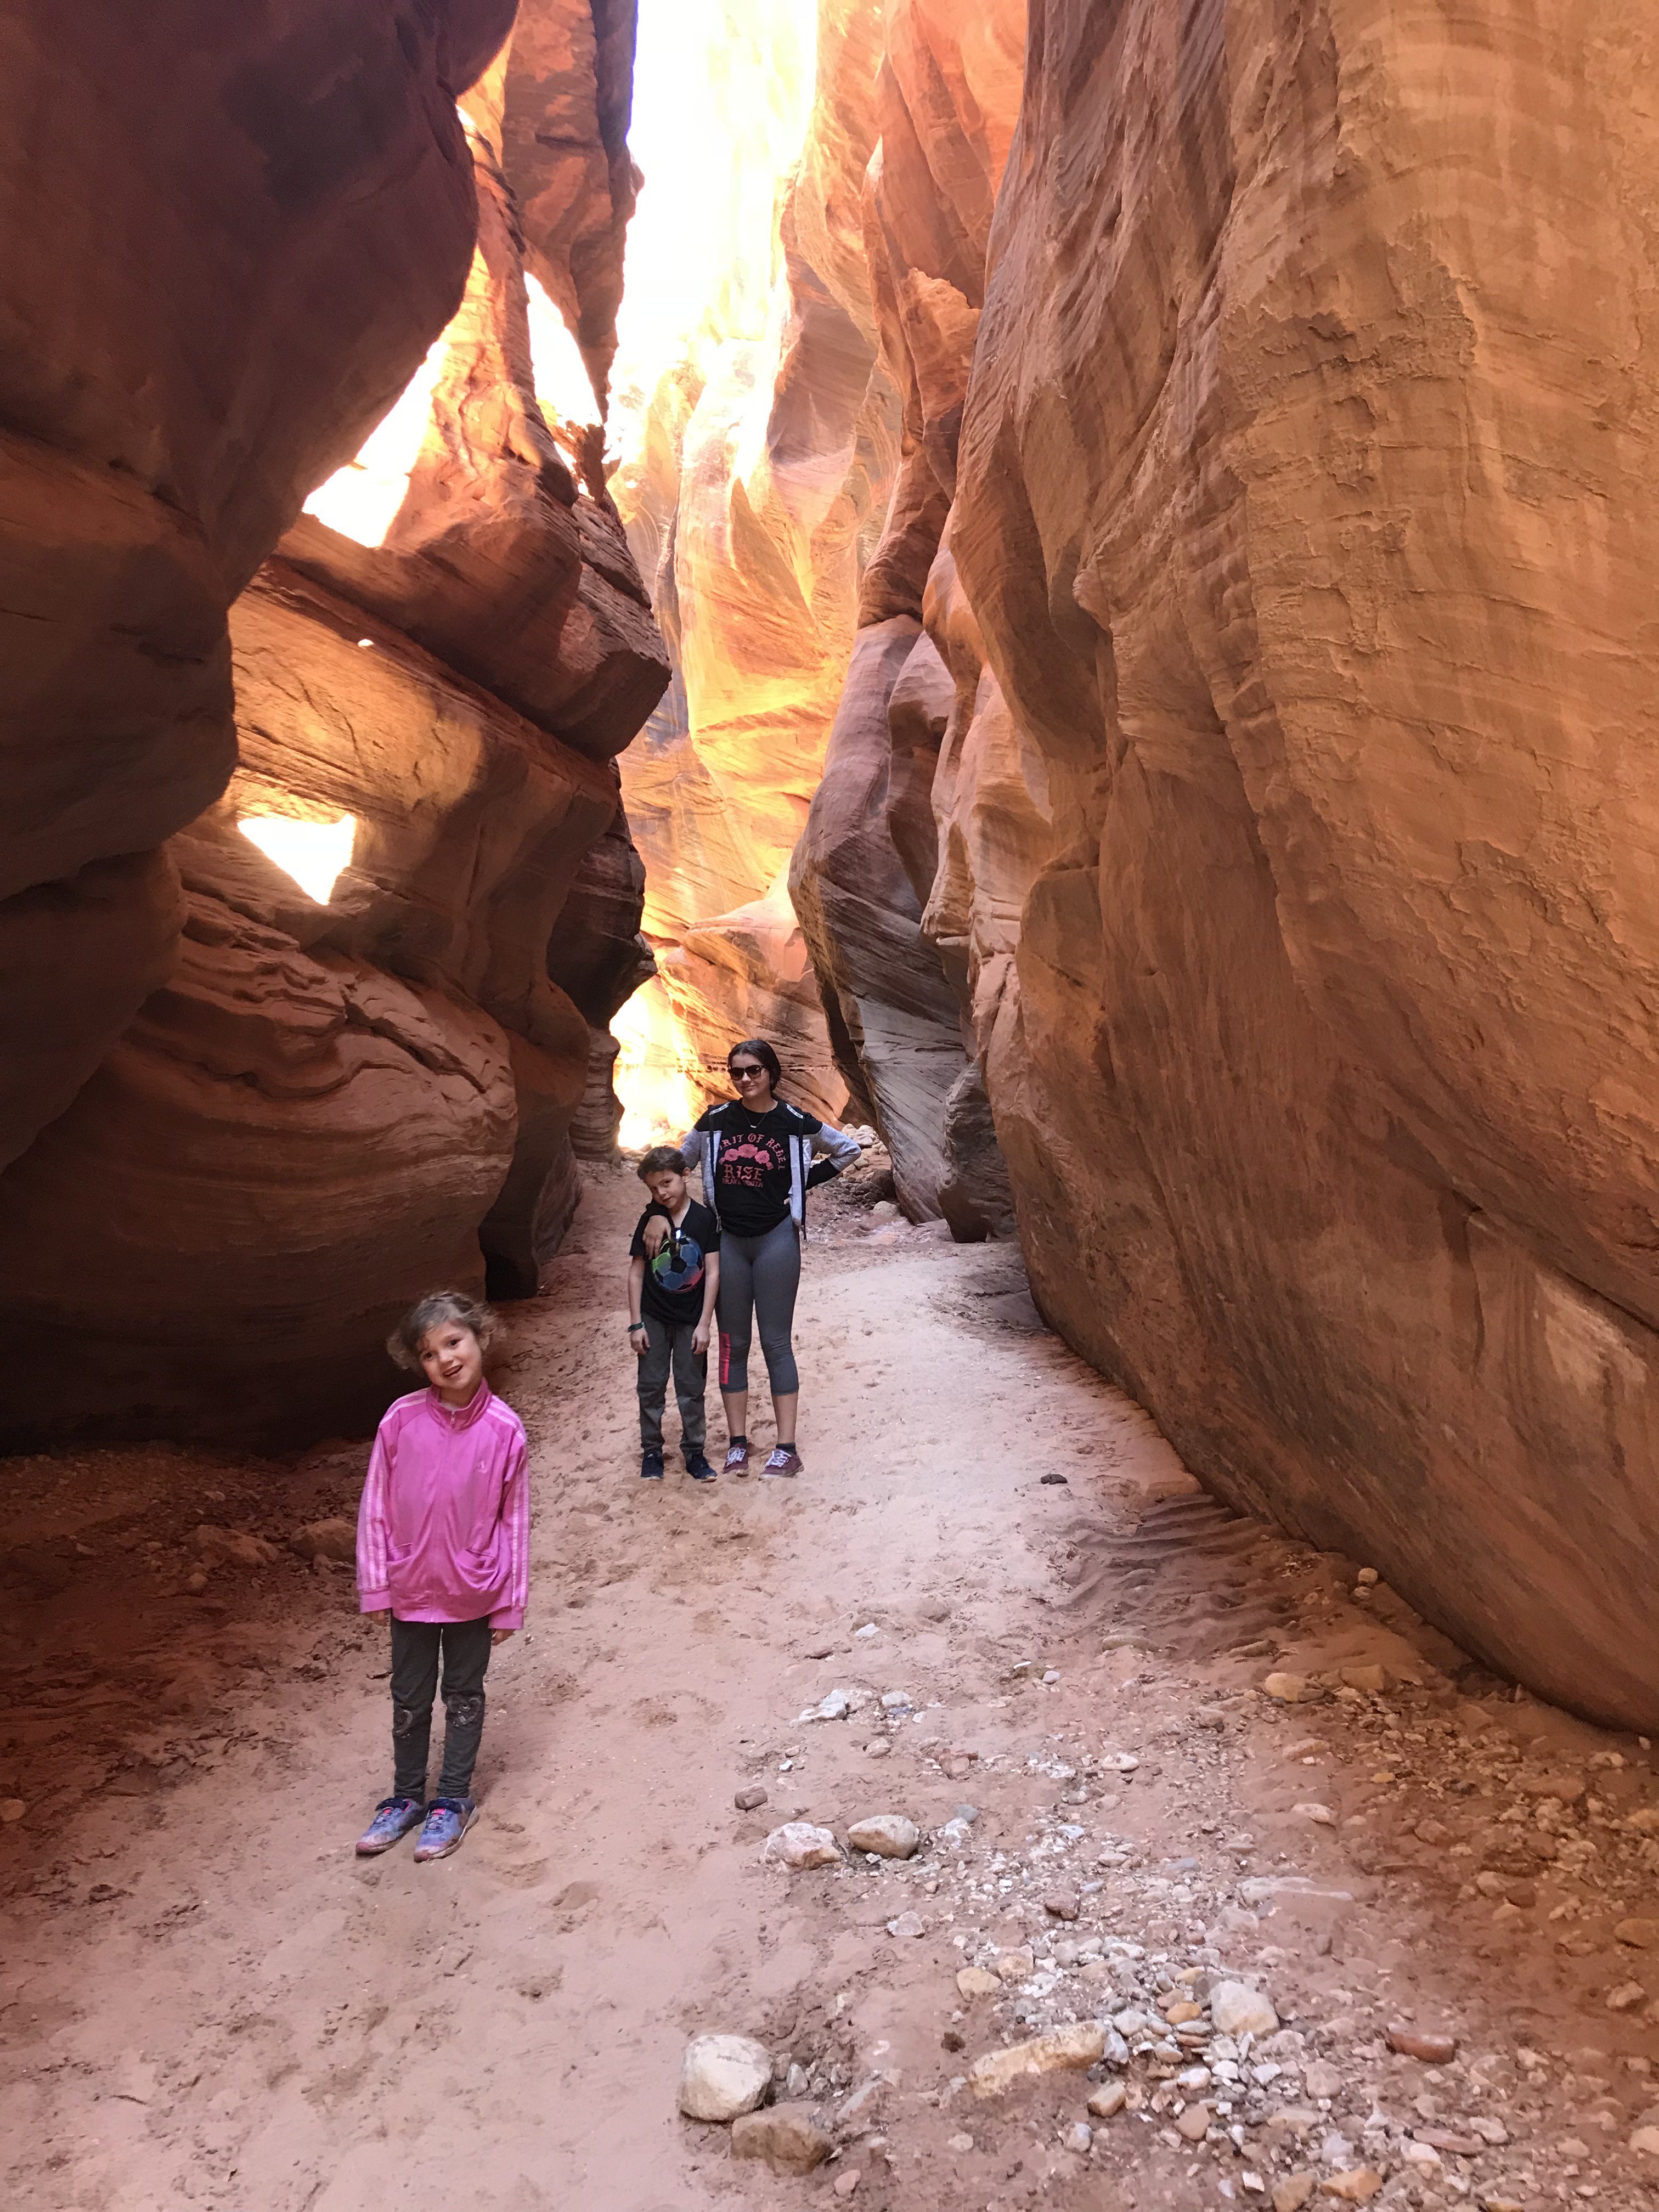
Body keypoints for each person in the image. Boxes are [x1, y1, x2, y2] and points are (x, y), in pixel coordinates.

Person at [352, 1290, 528, 1863]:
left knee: (464, 1695)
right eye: (429, 1354)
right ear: (417, 1363)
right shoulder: (400, 1420)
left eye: (454, 1342)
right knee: (409, 1695)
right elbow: (375, 1502)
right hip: (409, 1586)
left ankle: (452, 1800)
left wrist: (509, 1603)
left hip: (474, 1588)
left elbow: (515, 1520)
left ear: (480, 1339)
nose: (446, 1360)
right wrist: (377, 1581)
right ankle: (405, 1797)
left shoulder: (505, 1430)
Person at [646, 1038, 861, 1478]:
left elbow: (848, 1150)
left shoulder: (795, 1121)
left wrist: (801, 1184)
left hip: (776, 1241)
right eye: (737, 1072)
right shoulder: (715, 1122)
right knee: (733, 1344)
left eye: (754, 1071)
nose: (745, 1079)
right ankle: (738, 1443)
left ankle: (786, 1448)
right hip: (727, 1242)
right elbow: (675, 1168)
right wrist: (656, 1212)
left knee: (777, 1342)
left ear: (771, 1073)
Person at [628, 1143, 721, 1482]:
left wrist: (704, 1324)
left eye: (667, 1183)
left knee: (691, 1386)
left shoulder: (704, 1219)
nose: (661, 1192)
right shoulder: (649, 1220)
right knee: (650, 1386)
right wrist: (636, 1323)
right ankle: (651, 1452)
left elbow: (713, 1271)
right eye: (654, 1188)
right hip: (653, 1316)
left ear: (686, 1175)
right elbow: (637, 1272)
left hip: (690, 1319)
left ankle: (695, 1452)